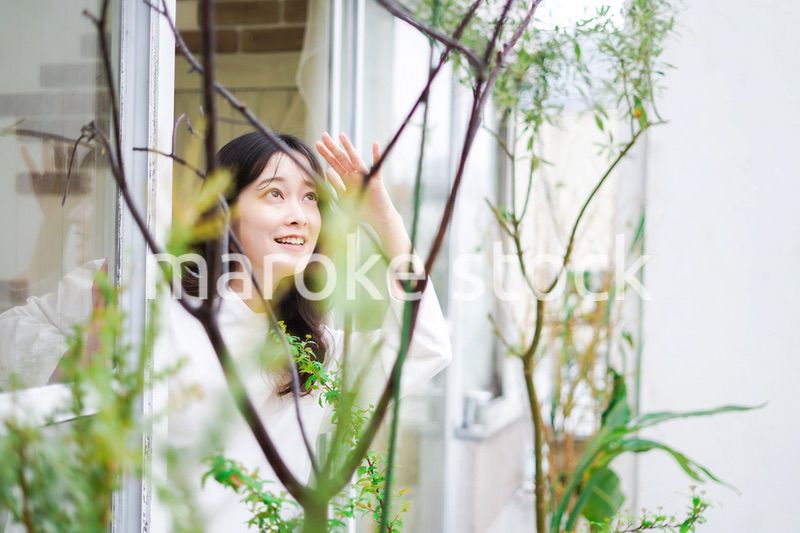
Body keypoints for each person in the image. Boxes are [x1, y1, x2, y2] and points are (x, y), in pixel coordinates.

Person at [157, 131, 452, 530]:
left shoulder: (315, 348)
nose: (299, 214)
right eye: (274, 194)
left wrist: (386, 221)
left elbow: (425, 347)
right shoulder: (167, 319)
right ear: (223, 211)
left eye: (310, 196)